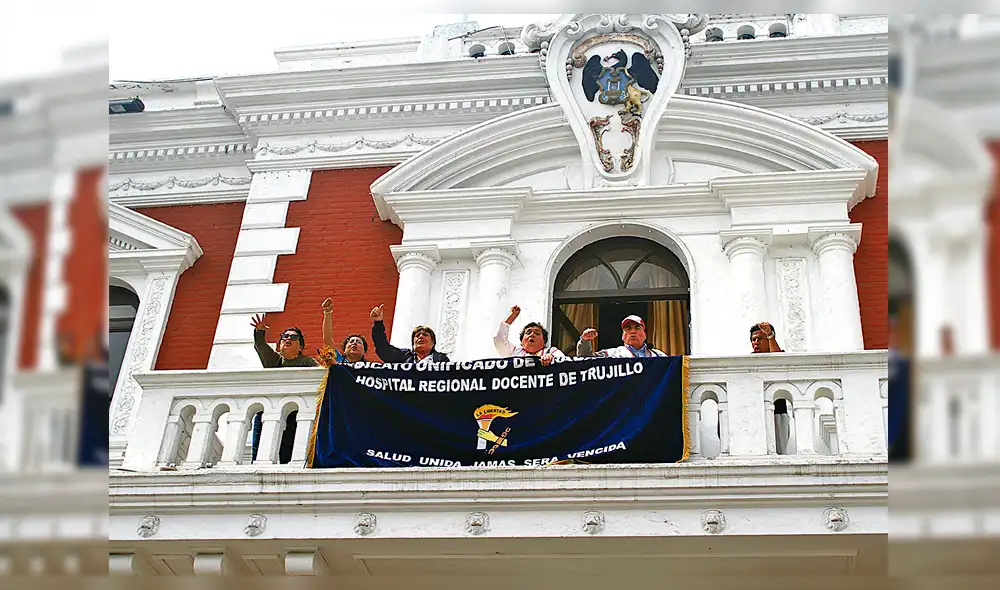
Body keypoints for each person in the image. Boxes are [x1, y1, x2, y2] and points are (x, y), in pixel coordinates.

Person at [370, 304, 450, 364]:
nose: (421, 336)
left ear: (433, 343)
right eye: (417, 336)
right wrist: (378, 322)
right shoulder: (403, 357)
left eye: (425, 335)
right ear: (413, 344)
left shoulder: (441, 359)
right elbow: (383, 349)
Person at [494, 305, 566, 366]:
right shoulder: (513, 352)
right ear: (521, 341)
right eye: (528, 333)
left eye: (537, 333)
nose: (532, 335)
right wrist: (510, 318)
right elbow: (499, 339)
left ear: (544, 341)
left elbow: (564, 363)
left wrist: (552, 358)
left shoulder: (552, 351)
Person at [576, 315, 667, 358]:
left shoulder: (658, 355)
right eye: (628, 328)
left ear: (645, 335)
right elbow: (586, 359)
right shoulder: (611, 354)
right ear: (622, 336)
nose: (633, 331)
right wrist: (585, 341)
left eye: (637, 328)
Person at [251, 314, 319, 368]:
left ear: (300, 347)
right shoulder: (274, 359)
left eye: (293, 337)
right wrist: (259, 331)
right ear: (280, 344)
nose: (288, 338)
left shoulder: (307, 362)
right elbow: (260, 345)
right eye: (285, 336)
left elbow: (321, 373)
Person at [319, 297, 369, 364]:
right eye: (351, 341)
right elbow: (327, 339)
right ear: (344, 350)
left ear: (364, 351)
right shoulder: (339, 360)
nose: (354, 343)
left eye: (359, 342)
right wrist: (327, 313)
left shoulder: (370, 367)